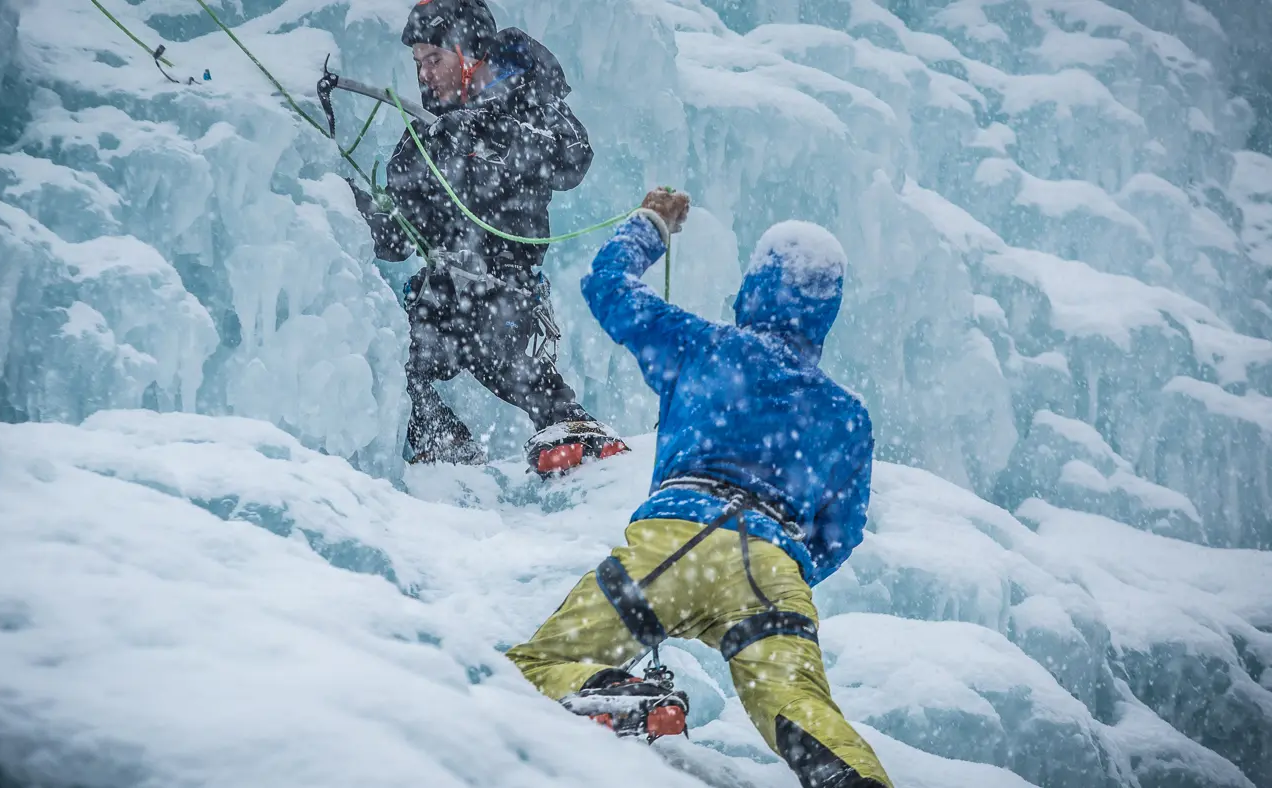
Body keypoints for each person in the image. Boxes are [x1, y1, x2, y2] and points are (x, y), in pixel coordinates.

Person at [506, 188, 893, 788]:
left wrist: (651, 224)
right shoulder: (847, 415)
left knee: (535, 667)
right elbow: (841, 533)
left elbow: (608, 286)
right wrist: (781, 563)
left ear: (754, 290)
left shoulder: (706, 345)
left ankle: (606, 693)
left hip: (677, 541)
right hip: (772, 566)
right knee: (800, 706)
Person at [349, 0, 625, 474]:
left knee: (502, 353)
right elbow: (398, 236)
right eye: (418, 64)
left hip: (504, 284)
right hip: (443, 286)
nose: (424, 75)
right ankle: (445, 441)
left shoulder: (525, 97)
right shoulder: (429, 134)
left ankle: (575, 432)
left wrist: (487, 129)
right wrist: (352, 207)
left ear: (468, 51)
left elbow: (572, 158)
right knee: (396, 356)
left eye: (434, 59)